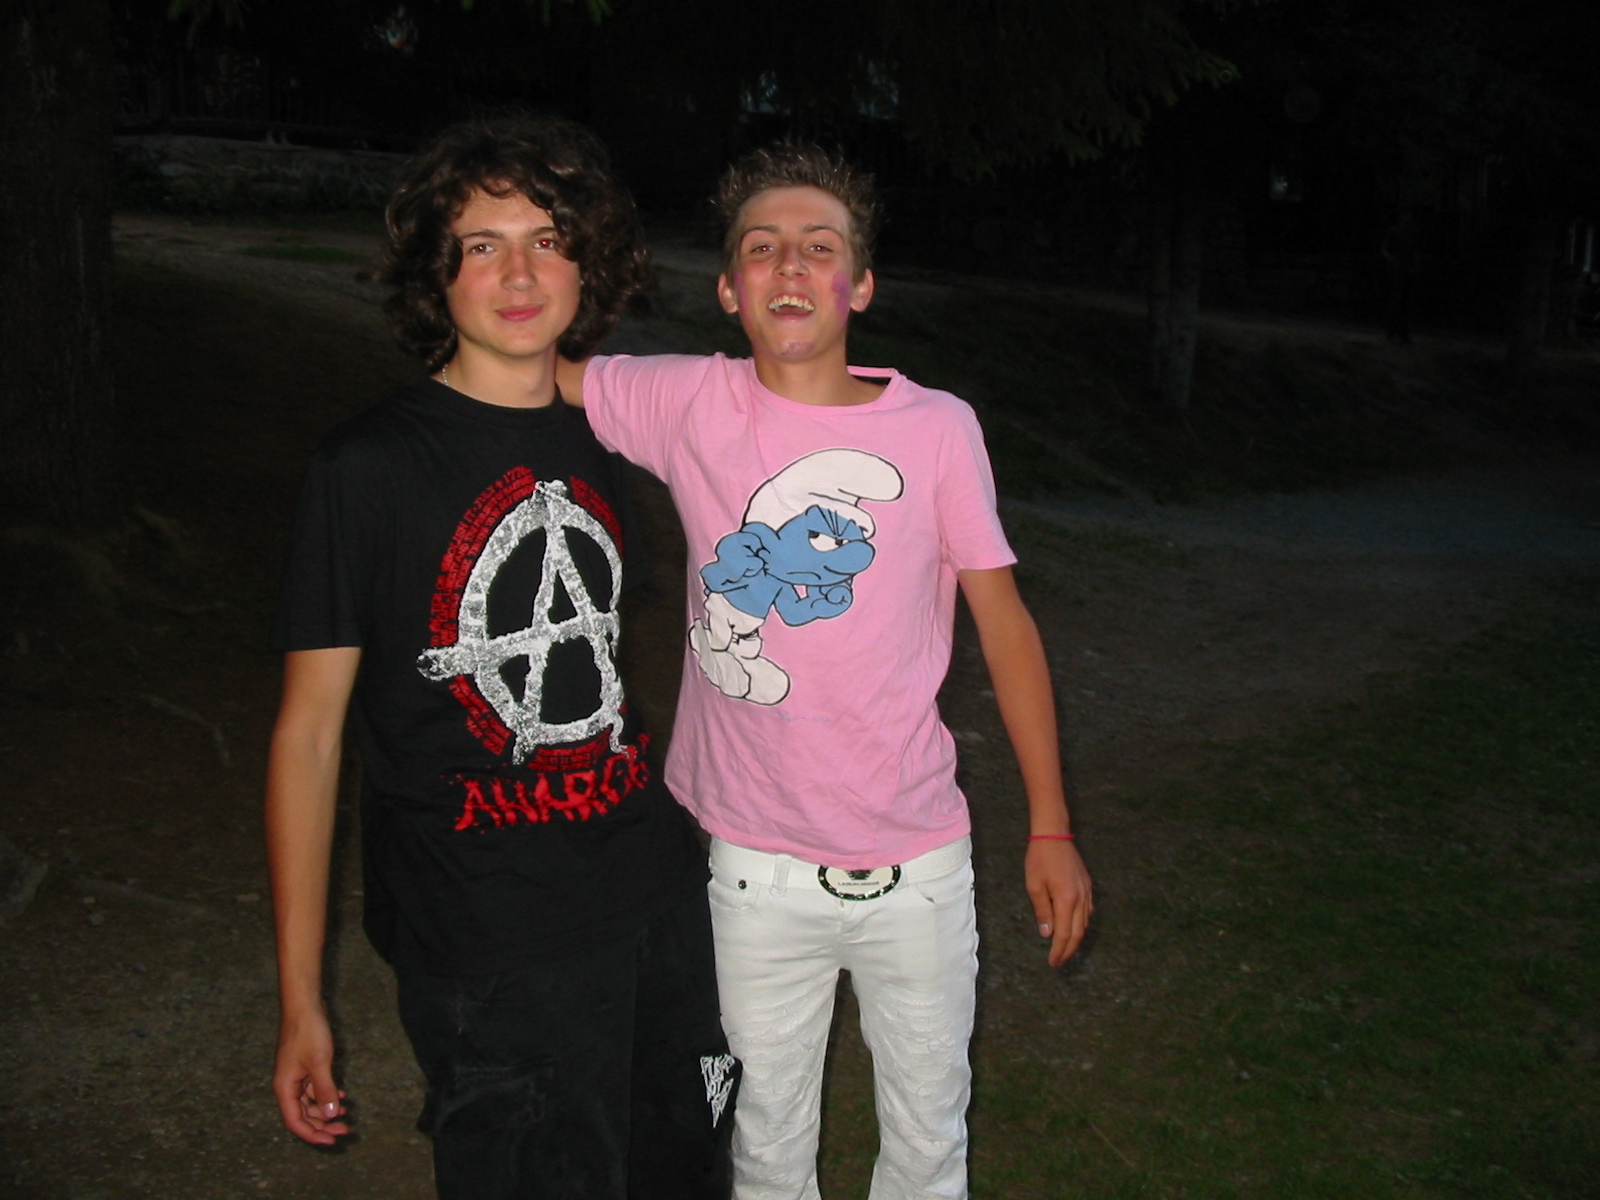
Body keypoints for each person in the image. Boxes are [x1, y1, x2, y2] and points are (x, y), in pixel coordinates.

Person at [557, 143, 1093, 1200]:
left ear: (861, 284)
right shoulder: (688, 401)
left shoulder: (937, 430)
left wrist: (1050, 825)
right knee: (763, 1153)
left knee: (928, 1149)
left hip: (918, 871)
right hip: (754, 873)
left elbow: (1005, 626)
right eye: (762, 249)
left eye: (820, 248)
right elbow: (530, 366)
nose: (790, 267)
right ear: (728, 289)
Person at [265, 113, 735, 1200]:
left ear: (588, 262)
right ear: (438, 271)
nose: (520, 275)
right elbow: (309, 739)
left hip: (657, 902)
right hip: (488, 937)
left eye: (548, 239)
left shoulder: (605, 439)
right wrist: (300, 999)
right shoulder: (365, 468)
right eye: (483, 244)